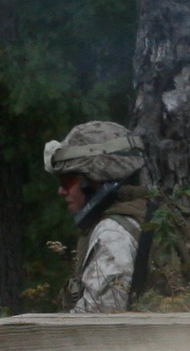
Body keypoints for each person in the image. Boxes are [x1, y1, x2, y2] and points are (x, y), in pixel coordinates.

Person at [43, 121, 149, 315]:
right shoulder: (145, 213)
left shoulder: (112, 233)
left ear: (92, 179)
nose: (61, 191)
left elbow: (97, 320)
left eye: (67, 181)